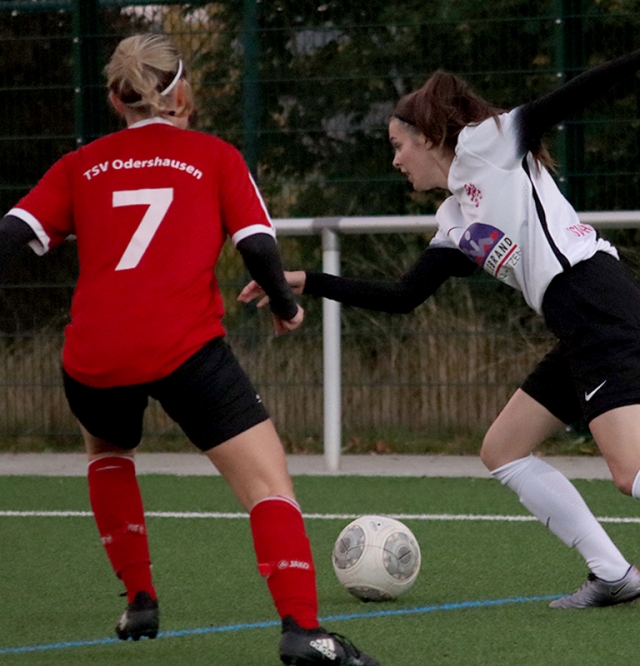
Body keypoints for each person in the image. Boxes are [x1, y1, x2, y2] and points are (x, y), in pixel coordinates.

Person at [240, 29, 640, 621]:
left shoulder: (487, 143)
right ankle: (612, 573)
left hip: (594, 298)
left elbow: (565, 98)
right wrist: (305, 280)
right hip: (575, 318)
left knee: (634, 469)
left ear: (427, 137)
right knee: (503, 449)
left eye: (397, 145)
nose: (394, 160)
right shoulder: (455, 218)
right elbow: (403, 296)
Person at [0, 34, 377, 665]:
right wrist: (286, 306)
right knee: (267, 483)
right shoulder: (214, 156)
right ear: (181, 94)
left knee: (108, 450)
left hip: (95, 356)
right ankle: (303, 630)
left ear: (115, 99)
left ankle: (139, 598)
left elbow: (12, 234)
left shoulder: (80, 165)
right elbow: (257, 246)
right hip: (186, 349)